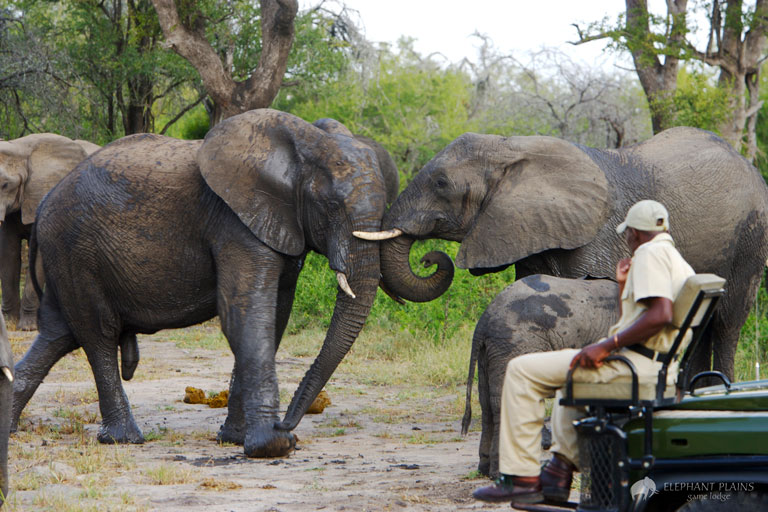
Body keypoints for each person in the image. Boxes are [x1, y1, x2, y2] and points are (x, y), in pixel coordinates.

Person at [473, 199, 695, 504]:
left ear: (635, 232)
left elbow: (660, 315)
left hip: (635, 367)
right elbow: (632, 320)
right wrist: (623, 285)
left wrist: (606, 345)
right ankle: (557, 472)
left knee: (522, 370)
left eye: (627, 233)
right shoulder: (674, 258)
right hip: (655, 367)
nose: (626, 239)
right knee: (573, 375)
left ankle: (521, 478)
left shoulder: (649, 254)